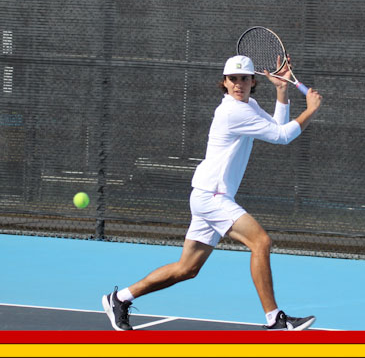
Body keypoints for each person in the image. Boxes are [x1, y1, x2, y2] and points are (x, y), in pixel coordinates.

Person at [102, 54, 324, 331]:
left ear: (253, 81)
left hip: (208, 194)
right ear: (225, 82)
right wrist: (311, 109)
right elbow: (283, 136)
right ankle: (274, 318)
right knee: (261, 242)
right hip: (213, 196)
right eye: (233, 79)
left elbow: (278, 128)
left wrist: (281, 90)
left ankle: (120, 299)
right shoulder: (233, 111)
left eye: (244, 78)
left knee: (187, 269)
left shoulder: (249, 105)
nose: (239, 84)